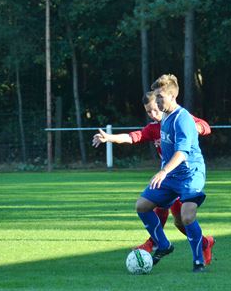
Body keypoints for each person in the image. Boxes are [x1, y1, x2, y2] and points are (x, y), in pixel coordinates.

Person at [92, 91, 215, 265]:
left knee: (182, 221)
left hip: (186, 176)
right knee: (153, 208)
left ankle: (201, 244)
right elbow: (133, 137)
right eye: (149, 111)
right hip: (168, 177)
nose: (153, 114)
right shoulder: (154, 127)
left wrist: (195, 129)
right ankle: (160, 244)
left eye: (155, 109)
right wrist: (109, 138)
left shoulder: (180, 118)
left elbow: (205, 127)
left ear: (161, 102)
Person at [135, 74, 212, 272]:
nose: (157, 101)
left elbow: (182, 152)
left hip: (190, 174)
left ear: (172, 96)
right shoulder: (165, 117)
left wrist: (163, 171)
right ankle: (163, 245)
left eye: (160, 97)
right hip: (172, 176)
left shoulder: (182, 118)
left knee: (186, 217)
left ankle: (198, 261)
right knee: (142, 206)